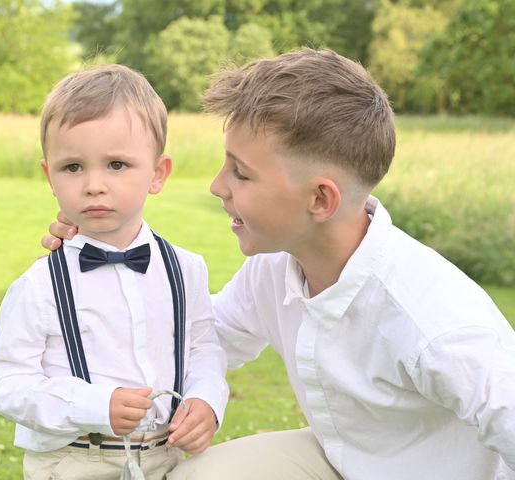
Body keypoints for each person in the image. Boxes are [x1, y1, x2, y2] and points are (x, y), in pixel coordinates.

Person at [43, 48, 515, 480]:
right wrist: (98, 261)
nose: (217, 185)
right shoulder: (277, 267)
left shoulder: (431, 318)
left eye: (241, 173)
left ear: (320, 199)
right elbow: (197, 337)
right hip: (338, 460)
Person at [0, 65, 228, 480]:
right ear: (50, 176)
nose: (94, 184)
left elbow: (203, 349)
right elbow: (7, 381)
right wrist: (95, 406)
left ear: (157, 174)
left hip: (165, 456)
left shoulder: (186, 269)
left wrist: (207, 400)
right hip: (73, 460)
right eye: (73, 168)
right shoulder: (39, 285)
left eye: (116, 164)